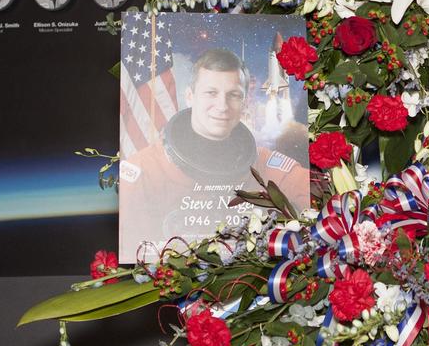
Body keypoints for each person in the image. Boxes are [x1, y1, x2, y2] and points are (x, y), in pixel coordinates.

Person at [118, 48, 309, 254]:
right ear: (190, 96)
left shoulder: (264, 165)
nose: (222, 106)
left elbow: (321, 200)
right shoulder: (144, 170)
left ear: (244, 102)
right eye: (211, 93)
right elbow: (132, 250)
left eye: (233, 95)